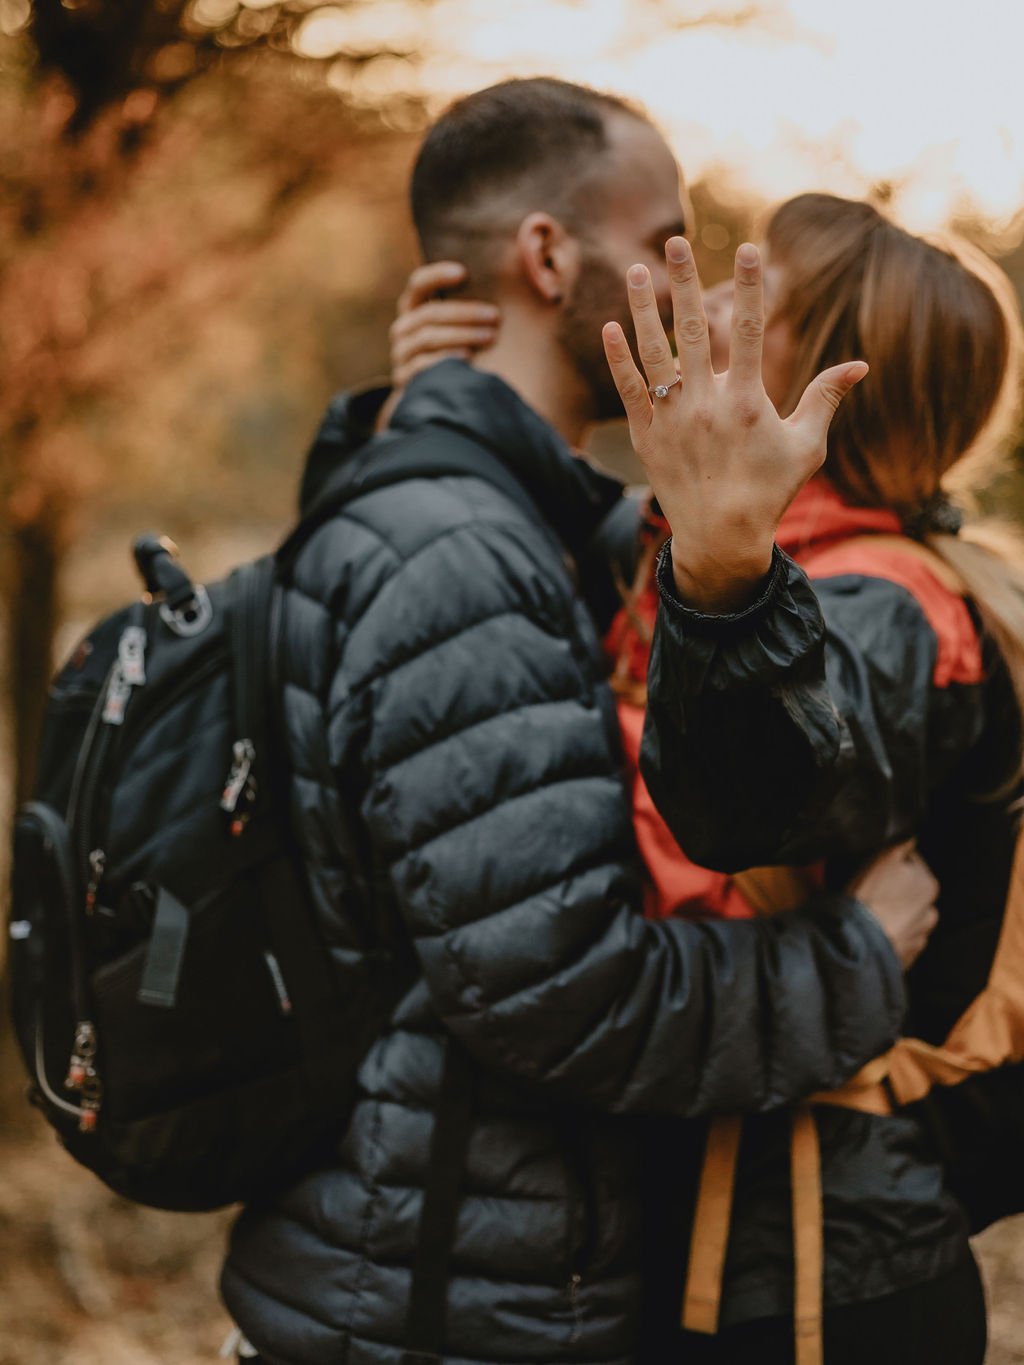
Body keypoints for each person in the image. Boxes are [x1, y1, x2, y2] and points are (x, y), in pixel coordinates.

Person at [220, 89, 935, 1365]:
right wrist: (854, 963)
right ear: (549, 258)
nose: (696, 281)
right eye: (663, 237)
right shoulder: (462, 553)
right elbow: (559, 993)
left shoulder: (494, 513)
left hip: (450, 1271)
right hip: (443, 1308)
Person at [597, 196, 1024, 1362]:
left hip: (819, 1281)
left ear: (822, 373)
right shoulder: (817, 570)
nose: (719, 313)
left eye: (757, 296)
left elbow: (747, 804)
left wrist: (726, 574)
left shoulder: (893, 607)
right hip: (752, 1257)